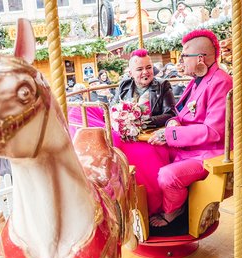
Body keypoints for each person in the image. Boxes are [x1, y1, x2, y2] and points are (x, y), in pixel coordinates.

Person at [69, 49, 176, 216]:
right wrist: (120, 116)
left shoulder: (162, 85)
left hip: (146, 133)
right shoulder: (125, 84)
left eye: (148, 67)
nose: (145, 72)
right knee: (76, 112)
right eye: (140, 69)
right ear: (131, 72)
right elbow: (113, 107)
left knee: (119, 142)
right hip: (124, 127)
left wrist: (142, 120)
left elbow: (171, 114)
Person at [148, 29, 233, 227]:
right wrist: (172, 123)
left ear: (201, 58)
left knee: (168, 176)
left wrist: (171, 134)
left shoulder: (221, 82)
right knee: (147, 150)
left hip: (209, 154)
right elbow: (182, 115)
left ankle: (174, 211)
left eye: (185, 56)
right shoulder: (198, 81)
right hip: (189, 148)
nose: (181, 60)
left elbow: (213, 131)